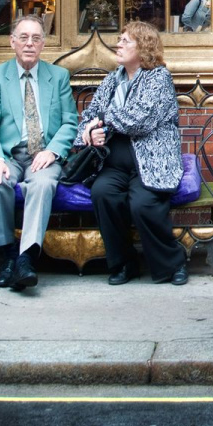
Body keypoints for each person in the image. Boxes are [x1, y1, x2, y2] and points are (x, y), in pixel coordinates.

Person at [76, 21, 189, 286]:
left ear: (144, 47)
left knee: (143, 204)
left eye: (126, 40)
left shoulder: (159, 77)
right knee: (103, 194)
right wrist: (90, 133)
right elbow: (87, 118)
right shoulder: (111, 79)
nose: (119, 44)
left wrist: (102, 119)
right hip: (114, 164)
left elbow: (139, 120)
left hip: (150, 163)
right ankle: (124, 264)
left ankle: (172, 265)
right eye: (119, 39)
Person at [0, 14, 77, 292]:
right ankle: (7, 255)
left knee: (42, 183)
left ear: (43, 44)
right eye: (23, 38)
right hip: (8, 153)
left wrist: (53, 151)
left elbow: (70, 121)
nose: (29, 44)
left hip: (43, 154)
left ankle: (26, 259)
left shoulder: (58, 77)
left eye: (35, 38)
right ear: (12, 42)